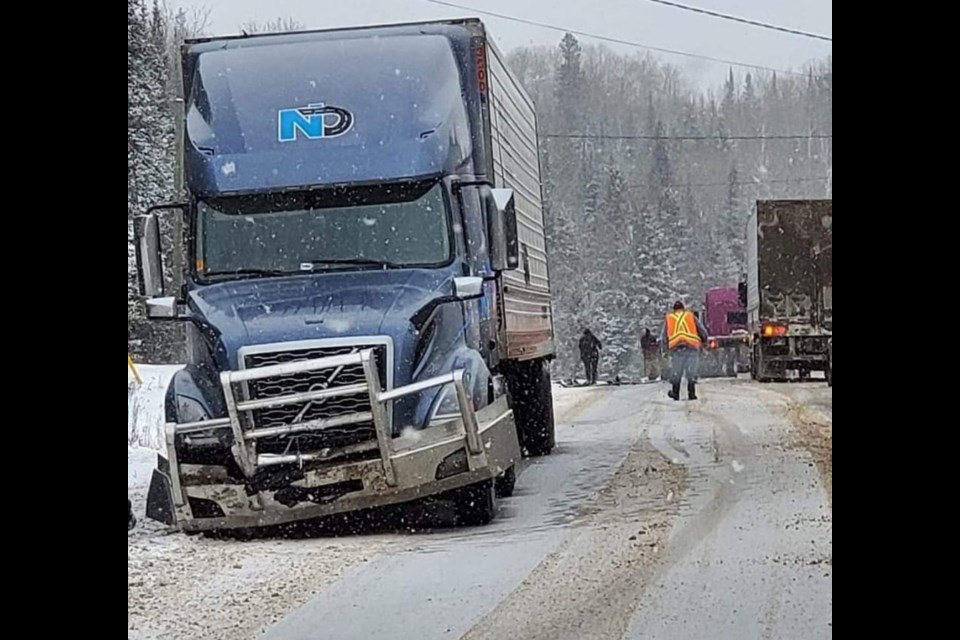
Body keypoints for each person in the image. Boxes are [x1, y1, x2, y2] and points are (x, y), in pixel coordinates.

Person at [659, 301, 709, 400]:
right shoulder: (690, 316)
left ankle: (675, 393)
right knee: (691, 371)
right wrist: (704, 340)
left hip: (676, 348)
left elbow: (664, 336)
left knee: (677, 371)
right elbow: (702, 330)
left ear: (674, 310)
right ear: (683, 308)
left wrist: (664, 350)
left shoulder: (669, 318)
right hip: (691, 347)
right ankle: (691, 393)